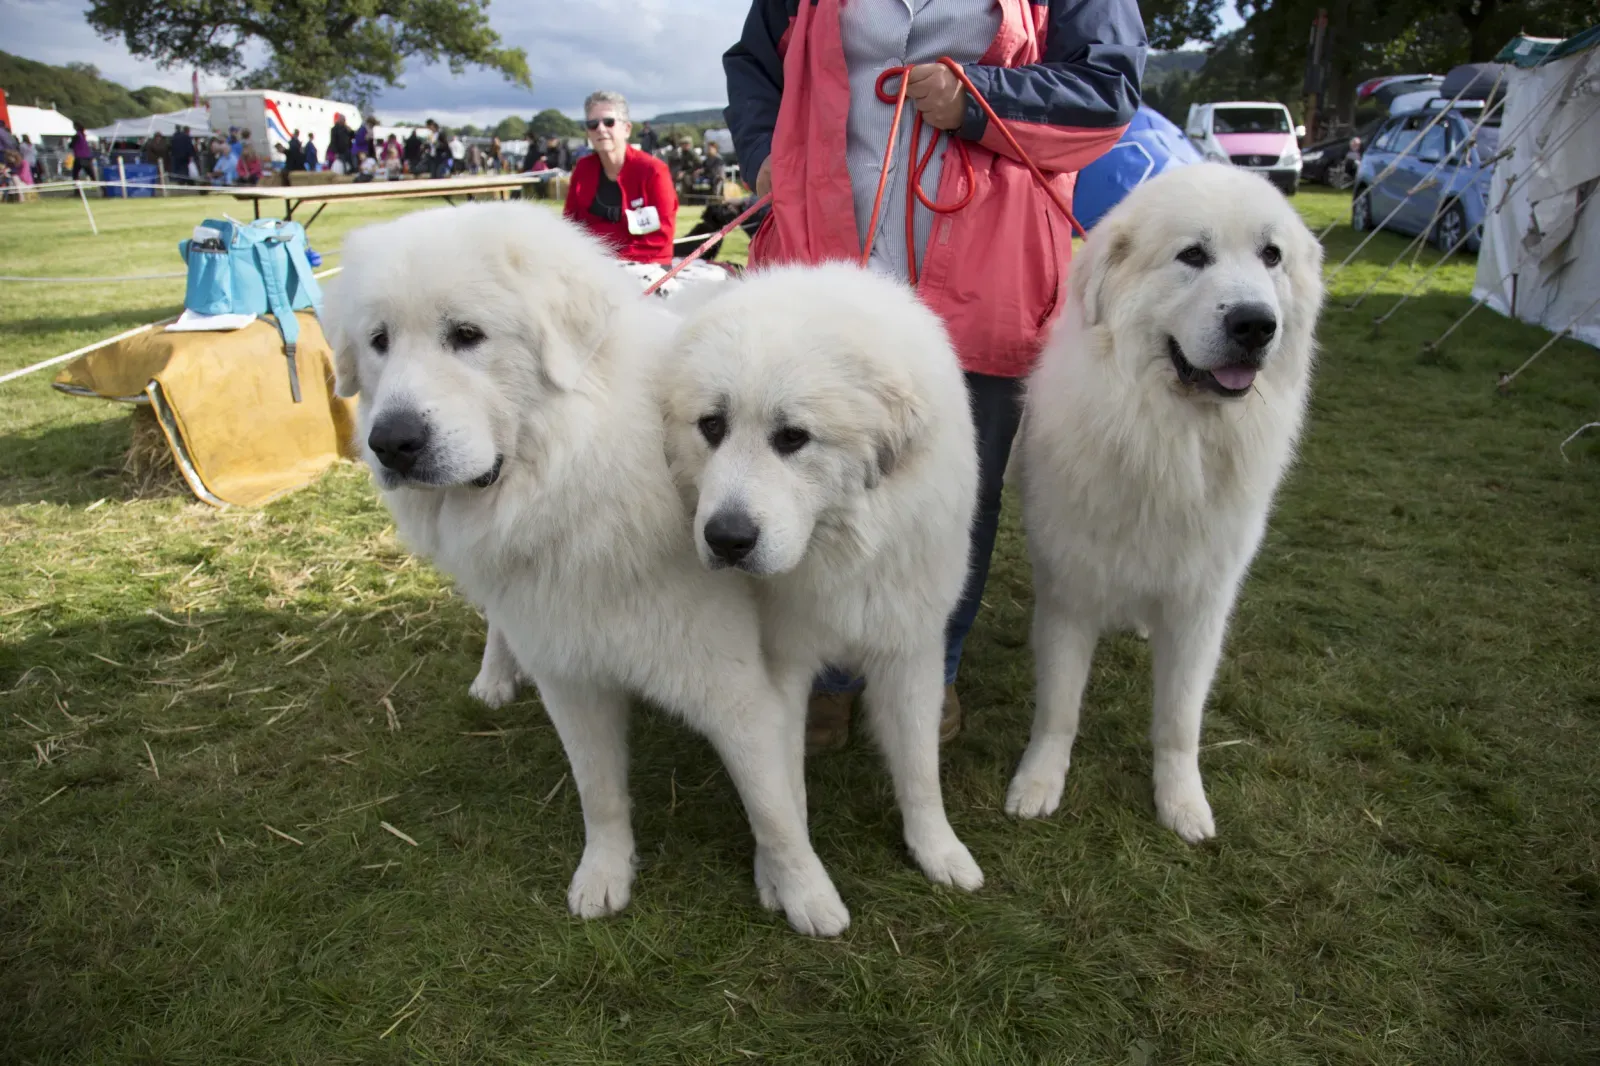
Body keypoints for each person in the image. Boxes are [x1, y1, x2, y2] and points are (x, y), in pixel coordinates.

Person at [724, 0, 1145, 748]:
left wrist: (980, 98)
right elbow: (753, 64)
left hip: (986, 274)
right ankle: (821, 675)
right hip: (820, 262)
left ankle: (928, 671)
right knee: (803, 473)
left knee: (957, 498)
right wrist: (763, 148)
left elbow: (1108, 95)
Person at [562, 90, 677, 265]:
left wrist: (614, 264)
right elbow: (569, 226)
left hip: (646, 264)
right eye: (593, 124)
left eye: (609, 122)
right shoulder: (582, 168)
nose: (601, 129)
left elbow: (660, 235)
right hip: (591, 265)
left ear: (627, 129)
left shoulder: (654, 171)